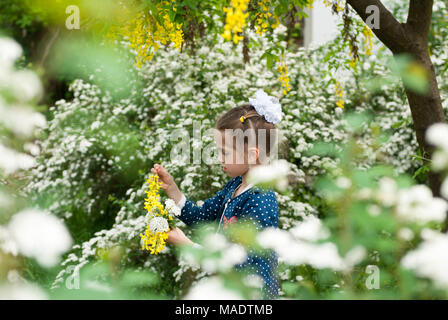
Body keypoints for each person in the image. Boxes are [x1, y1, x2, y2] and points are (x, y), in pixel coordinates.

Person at [151, 89, 282, 299]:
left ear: (251, 155)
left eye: (224, 152)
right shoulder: (235, 187)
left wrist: (187, 245)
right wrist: (173, 191)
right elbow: (201, 217)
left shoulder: (261, 200)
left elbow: (239, 266)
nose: (219, 158)